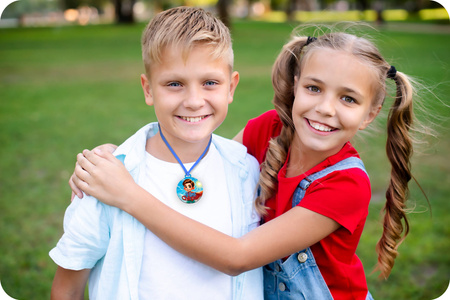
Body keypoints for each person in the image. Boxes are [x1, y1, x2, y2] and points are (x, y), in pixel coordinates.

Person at [71, 29, 422, 300]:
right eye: (315, 88)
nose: (326, 108)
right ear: (296, 86)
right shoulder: (269, 128)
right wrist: (120, 158)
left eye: (347, 98)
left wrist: (127, 194)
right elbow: (205, 159)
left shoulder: (346, 185)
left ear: (370, 114)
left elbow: (236, 258)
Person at [50, 6, 264, 300]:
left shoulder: (246, 170)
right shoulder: (106, 176)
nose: (193, 101)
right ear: (148, 89)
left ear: (231, 87)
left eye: (210, 83)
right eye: (174, 84)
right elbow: (67, 288)